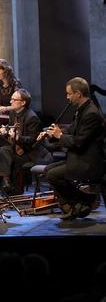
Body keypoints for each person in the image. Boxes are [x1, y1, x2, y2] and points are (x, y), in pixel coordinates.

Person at [40, 77, 106, 220]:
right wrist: (54, 133)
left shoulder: (91, 113)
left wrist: (59, 135)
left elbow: (79, 142)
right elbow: (72, 130)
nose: (67, 97)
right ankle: (79, 203)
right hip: (79, 157)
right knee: (47, 170)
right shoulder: (82, 110)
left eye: (69, 94)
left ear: (78, 94)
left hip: (89, 162)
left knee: (52, 175)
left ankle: (82, 201)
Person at [0, 89, 52, 194]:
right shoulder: (13, 113)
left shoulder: (32, 117)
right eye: (11, 99)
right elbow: (12, 129)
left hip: (30, 152)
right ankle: (7, 183)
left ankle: (9, 187)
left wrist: (16, 137)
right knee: (3, 150)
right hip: (18, 148)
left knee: (9, 158)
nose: (11, 102)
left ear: (23, 103)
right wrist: (5, 130)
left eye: (14, 99)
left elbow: (31, 141)